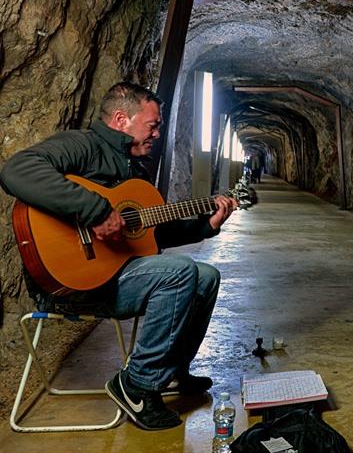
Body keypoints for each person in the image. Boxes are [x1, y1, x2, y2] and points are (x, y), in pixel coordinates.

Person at [0, 82, 239, 431]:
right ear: (121, 119)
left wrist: (207, 226)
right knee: (180, 272)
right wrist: (95, 211)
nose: (157, 133)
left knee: (206, 276)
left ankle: (170, 372)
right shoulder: (82, 145)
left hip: (118, 274)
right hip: (71, 282)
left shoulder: (135, 167)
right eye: (152, 125)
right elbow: (16, 171)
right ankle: (137, 385)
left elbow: (147, 236)